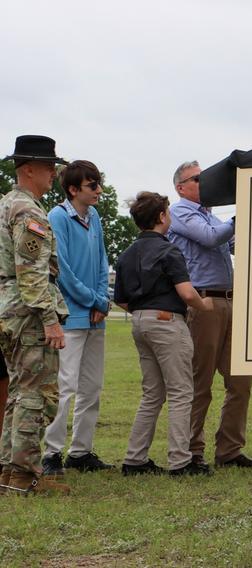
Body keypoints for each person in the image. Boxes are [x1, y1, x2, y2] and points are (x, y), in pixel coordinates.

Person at [167, 161, 252, 469]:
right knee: (200, 380)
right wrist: (240, 214)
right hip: (203, 302)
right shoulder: (180, 212)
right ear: (181, 187)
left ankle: (230, 450)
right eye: (197, 178)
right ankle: (192, 451)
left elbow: (233, 242)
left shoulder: (209, 215)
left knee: (240, 380)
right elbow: (211, 238)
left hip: (229, 300)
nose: (203, 182)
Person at [114, 192, 214, 476]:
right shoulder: (169, 251)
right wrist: (202, 304)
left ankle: (135, 459)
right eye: (168, 213)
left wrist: (143, 311)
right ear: (161, 217)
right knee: (181, 392)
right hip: (167, 321)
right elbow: (185, 291)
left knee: (152, 394)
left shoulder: (127, 253)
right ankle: (181, 461)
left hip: (140, 322)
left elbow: (120, 299)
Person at [0, 135, 70, 495]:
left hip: (10, 308)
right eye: (48, 167)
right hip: (28, 311)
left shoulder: (6, 204)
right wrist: (49, 319)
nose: (53, 174)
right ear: (28, 169)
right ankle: (25, 475)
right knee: (36, 394)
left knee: (18, 391)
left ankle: (10, 473)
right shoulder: (28, 211)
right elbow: (31, 272)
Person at [42, 160, 114, 475]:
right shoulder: (57, 217)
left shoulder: (94, 216)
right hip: (70, 316)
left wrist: (102, 299)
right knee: (65, 386)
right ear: (74, 189)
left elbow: (102, 260)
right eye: (92, 185)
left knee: (91, 386)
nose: (98, 190)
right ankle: (51, 454)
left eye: (98, 183)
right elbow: (63, 271)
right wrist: (92, 299)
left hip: (95, 316)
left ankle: (81, 452)